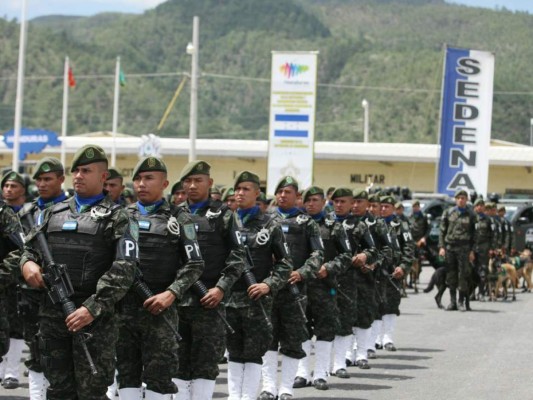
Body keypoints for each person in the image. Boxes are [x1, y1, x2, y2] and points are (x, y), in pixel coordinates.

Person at [20, 144, 139, 400]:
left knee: (91, 392)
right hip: (54, 317)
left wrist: (91, 308)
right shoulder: (53, 213)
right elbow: (30, 251)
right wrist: (27, 264)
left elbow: (125, 268)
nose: (79, 176)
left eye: (86, 170)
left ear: (103, 177)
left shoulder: (119, 217)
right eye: (76, 171)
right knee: (58, 390)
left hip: (94, 321)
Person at [116, 156, 204, 400]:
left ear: (164, 183)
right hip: (125, 309)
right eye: (138, 179)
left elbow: (195, 263)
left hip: (161, 310)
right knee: (126, 373)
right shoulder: (122, 216)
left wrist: (172, 293)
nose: (142, 183)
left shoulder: (179, 218)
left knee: (160, 377)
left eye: (149, 178)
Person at [174, 160, 244, 400]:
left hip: (209, 299)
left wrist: (221, 289)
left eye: (198, 181)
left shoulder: (224, 215)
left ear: (209, 183)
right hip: (177, 300)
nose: (192, 186)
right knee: (178, 361)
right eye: (188, 181)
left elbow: (238, 257)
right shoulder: (173, 214)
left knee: (205, 362)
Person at [226, 171, 291, 400]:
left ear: (257, 193)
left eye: (246, 189)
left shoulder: (271, 224)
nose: (240, 193)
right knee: (233, 353)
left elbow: (285, 264)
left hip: (257, 300)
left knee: (253, 354)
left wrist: (268, 285)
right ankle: (235, 396)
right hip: (228, 298)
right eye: (238, 189)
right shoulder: (226, 221)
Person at [260, 177, 323, 400]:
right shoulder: (266, 220)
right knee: (268, 340)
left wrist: (302, 272)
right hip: (269, 291)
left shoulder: (307, 223)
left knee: (291, 339)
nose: (282, 195)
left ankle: (286, 387)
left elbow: (317, 254)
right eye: (279, 191)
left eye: (288, 192)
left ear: (297, 197)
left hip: (294, 292)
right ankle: (268, 386)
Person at [12, 158, 67, 398]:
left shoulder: (71, 208)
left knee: (65, 355)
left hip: (66, 293)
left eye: (48, 179)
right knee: (36, 351)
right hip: (32, 294)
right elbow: (17, 251)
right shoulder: (27, 213)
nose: (42, 184)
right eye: (39, 180)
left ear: (61, 179)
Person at [295, 186, 351, 391]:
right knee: (300, 329)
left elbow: (346, 256)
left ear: (323, 202)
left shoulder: (334, 226)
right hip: (299, 287)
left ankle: (320, 374)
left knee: (325, 330)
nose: (310, 204)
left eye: (315, 200)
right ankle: (301, 373)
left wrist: (329, 268)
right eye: (307, 200)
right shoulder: (295, 224)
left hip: (324, 287)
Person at [329, 187, 377, 378]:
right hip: (327, 280)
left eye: (344, 202)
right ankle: (327, 365)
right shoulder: (325, 222)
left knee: (355, 317)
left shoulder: (360, 226)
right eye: (336, 201)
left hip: (355, 279)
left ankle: (355, 356)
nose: (340, 205)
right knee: (326, 323)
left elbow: (374, 249)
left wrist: (365, 256)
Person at [0, 171, 27, 389]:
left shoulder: (7, 214)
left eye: (13, 185)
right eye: (6, 185)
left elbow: (21, 248)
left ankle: (11, 372)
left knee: (14, 326)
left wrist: (4, 273)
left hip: (10, 281)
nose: (8, 189)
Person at [379, 195, 414, 350]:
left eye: (387, 206)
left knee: (391, 304)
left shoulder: (401, 225)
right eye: (381, 206)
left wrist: (404, 266)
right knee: (374, 304)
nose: (383, 209)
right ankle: (375, 339)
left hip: (394, 270)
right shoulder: (373, 224)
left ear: (393, 208)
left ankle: (387, 337)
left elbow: (409, 247)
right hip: (376, 271)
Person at [439, 189, 476, 311]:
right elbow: (442, 231)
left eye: (463, 198)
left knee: (463, 275)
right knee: (451, 275)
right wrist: (442, 247)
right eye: (459, 198)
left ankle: (461, 302)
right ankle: (452, 302)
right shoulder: (448, 212)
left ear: (466, 200)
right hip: (450, 247)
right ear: (455, 199)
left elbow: (475, 234)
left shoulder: (471, 214)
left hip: (464, 249)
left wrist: (472, 251)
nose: (461, 200)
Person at [472, 198, 495, 302]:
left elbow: (493, 235)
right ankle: (472, 293)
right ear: (475, 207)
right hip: (472, 248)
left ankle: (481, 293)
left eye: (481, 205)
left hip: (484, 248)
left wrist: (492, 248)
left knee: (483, 270)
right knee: (472, 270)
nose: (480, 207)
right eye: (478, 205)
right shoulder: (471, 218)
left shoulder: (489, 220)